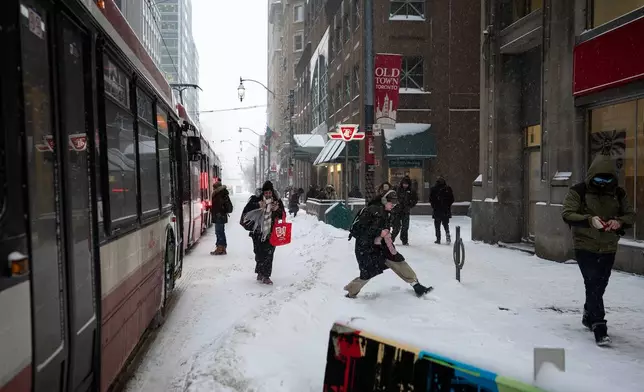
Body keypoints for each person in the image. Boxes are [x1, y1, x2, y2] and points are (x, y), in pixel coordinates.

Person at [561, 153, 635, 346]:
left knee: (600, 284)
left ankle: (588, 312)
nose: (603, 183)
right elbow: (567, 213)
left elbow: (630, 215)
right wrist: (589, 220)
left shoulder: (618, 193)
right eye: (599, 178)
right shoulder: (579, 191)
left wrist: (618, 222)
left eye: (607, 179)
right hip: (585, 245)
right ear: (592, 175)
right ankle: (599, 327)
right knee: (592, 282)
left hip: (609, 245)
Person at [344, 189, 432, 298]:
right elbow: (360, 230)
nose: (393, 206)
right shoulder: (371, 211)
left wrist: (387, 239)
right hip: (365, 247)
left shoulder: (387, 213)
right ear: (384, 200)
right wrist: (379, 232)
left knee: (397, 260)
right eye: (392, 203)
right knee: (367, 272)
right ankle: (351, 291)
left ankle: (416, 285)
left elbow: (385, 231)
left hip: (381, 246)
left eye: (395, 203)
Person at [241, 181, 285, 285]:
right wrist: (257, 205)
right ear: (263, 193)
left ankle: (266, 276)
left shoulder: (277, 201)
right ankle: (260, 271)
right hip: (257, 232)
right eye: (266, 193)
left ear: (272, 192)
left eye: (270, 192)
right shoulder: (256, 199)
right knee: (258, 253)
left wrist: (277, 209)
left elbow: (283, 214)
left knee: (269, 254)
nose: (268, 194)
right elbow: (246, 211)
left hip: (271, 231)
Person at [391, 176, 418, 245]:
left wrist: (410, 205)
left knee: (405, 226)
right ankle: (391, 239)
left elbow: (415, 199)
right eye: (404, 184)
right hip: (396, 211)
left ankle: (404, 240)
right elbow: (391, 197)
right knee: (396, 227)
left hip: (405, 211)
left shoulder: (411, 191)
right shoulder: (397, 189)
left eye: (407, 184)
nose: (405, 185)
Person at [209, 179, 233, 255]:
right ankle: (222, 248)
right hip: (220, 215)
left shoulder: (219, 194)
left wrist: (218, 212)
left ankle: (220, 248)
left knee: (219, 232)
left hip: (219, 216)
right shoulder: (222, 193)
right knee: (220, 232)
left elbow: (219, 206)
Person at [429, 176, 454, 244]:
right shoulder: (447, 189)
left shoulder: (434, 189)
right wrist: (447, 205)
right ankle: (447, 235)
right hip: (445, 210)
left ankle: (438, 239)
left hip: (437, 210)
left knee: (437, 225)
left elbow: (431, 199)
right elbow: (451, 199)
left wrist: (434, 206)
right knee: (445, 224)